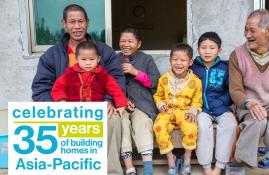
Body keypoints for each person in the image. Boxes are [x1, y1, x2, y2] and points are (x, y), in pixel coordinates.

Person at [31, 4, 125, 175]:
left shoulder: (104, 51)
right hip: (66, 108)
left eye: (81, 21)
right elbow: (40, 88)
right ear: (64, 23)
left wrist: (109, 100)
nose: (77, 26)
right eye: (72, 22)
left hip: (98, 106)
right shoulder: (52, 55)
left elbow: (116, 79)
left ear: (87, 23)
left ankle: (112, 171)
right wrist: (59, 104)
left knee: (113, 120)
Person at [229, 9, 269, 175]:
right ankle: (238, 162)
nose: (247, 34)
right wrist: (248, 103)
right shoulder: (237, 55)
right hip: (249, 104)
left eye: (252, 30)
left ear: (268, 30)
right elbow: (235, 89)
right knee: (256, 122)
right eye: (246, 29)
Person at [192, 32, 238, 175]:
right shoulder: (192, 67)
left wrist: (220, 102)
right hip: (201, 108)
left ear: (219, 50)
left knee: (230, 125)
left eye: (212, 48)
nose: (207, 51)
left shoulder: (225, 67)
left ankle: (219, 166)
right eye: (203, 47)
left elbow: (231, 90)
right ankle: (206, 167)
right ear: (198, 49)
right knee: (203, 127)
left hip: (221, 107)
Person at [117, 26, 161, 175]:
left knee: (142, 123)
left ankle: (148, 169)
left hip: (142, 105)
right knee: (121, 123)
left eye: (130, 41)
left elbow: (155, 82)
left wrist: (135, 72)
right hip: (120, 105)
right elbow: (107, 83)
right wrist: (121, 100)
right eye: (123, 41)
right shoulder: (114, 59)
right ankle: (130, 168)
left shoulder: (146, 59)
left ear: (139, 44)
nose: (126, 44)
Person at [153, 43, 202, 175]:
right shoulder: (164, 79)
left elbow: (197, 100)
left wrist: (193, 111)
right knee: (158, 126)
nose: (178, 63)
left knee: (191, 127)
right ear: (170, 61)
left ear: (190, 62)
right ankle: (171, 158)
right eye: (175, 59)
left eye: (183, 60)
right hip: (167, 111)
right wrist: (160, 104)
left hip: (185, 111)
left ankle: (187, 157)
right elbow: (158, 96)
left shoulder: (195, 81)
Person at [51, 41, 127, 116]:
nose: (88, 63)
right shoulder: (69, 73)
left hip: (96, 112)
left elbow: (115, 90)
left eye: (92, 59)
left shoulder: (104, 75)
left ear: (98, 59)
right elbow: (58, 87)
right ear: (76, 59)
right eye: (83, 59)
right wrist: (61, 100)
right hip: (73, 111)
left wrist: (121, 104)